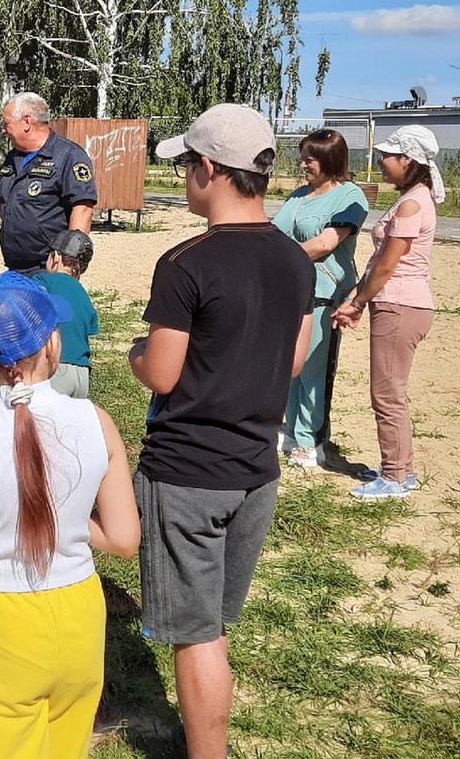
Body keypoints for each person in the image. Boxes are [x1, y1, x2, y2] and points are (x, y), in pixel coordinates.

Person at [130, 104, 314, 759]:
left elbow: (162, 372)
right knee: (213, 624)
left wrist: (135, 354)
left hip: (187, 475)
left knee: (195, 632)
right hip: (255, 474)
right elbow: (293, 360)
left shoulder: (185, 263)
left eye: (185, 166)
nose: (183, 178)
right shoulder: (295, 261)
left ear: (209, 168)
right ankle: (206, 729)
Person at [0, 271, 139, 758]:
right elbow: (125, 539)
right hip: (79, 616)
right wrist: (68, 521)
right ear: (53, 342)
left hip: (3, 622)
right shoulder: (98, 422)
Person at [333, 125, 445, 499]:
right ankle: (401, 469)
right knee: (390, 391)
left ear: (407, 160)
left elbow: (387, 265)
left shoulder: (413, 203)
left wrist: (358, 302)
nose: (381, 162)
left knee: (387, 393)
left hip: (399, 304)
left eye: (388, 155)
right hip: (398, 302)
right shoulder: (414, 198)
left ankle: (396, 476)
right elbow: (380, 262)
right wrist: (358, 295)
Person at [271, 130, 369, 468]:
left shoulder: (350, 197)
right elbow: (275, 232)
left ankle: (311, 439)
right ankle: (291, 428)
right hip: (291, 291)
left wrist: (281, 258)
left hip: (324, 294)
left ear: (329, 160)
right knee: (291, 365)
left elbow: (326, 243)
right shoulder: (299, 195)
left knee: (314, 368)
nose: (302, 165)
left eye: (308, 159)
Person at [0, 92, 98, 273]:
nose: (2, 129)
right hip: (14, 266)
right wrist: (15, 222)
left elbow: (83, 209)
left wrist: (66, 265)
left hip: (48, 268)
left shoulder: (68, 156)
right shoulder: (13, 157)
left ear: (26, 122)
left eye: (6, 123)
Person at [36, 230, 99, 399]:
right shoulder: (83, 294)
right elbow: (90, 327)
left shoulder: (43, 281)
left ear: (55, 256)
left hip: (56, 368)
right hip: (82, 373)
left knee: (42, 421)